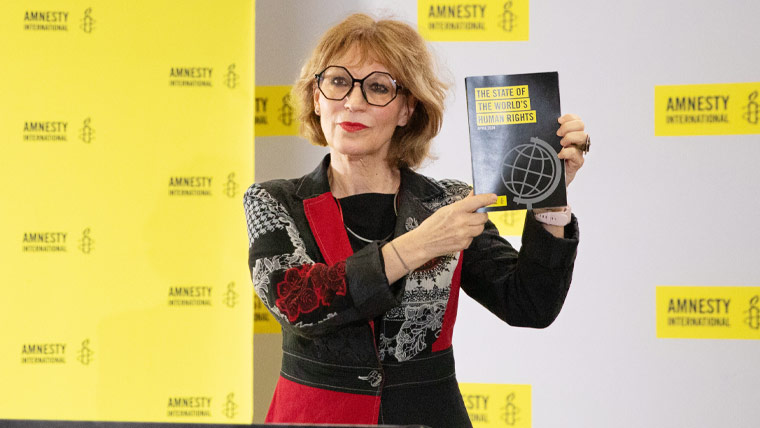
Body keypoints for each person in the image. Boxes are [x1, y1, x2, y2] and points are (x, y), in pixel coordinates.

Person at [245, 13, 587, 427]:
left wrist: (551, 194)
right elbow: (298, 303)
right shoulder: (273, 201)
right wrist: (419, 244)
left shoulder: (448, 202)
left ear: (407, 109)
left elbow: (529, 304)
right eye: (337, 82)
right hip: (315, 417)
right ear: (316, 98)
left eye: (377, 87)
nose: (353, 102)